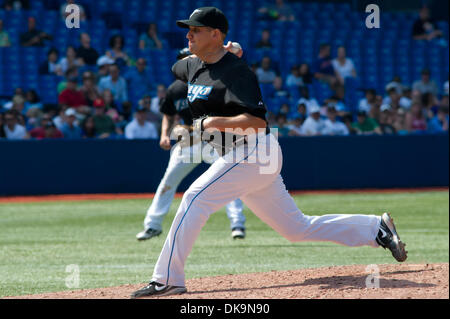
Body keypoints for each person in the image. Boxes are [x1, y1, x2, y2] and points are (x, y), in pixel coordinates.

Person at [131, 7, 407, 298]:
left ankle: (167, 279)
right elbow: (179, 65)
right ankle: (376, 227)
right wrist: (228, 48)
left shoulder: (237, 73)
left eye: (196, 30)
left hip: (253, 150)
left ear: (215, 34)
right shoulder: (191, 65)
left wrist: (213, 120)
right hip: (238, 156)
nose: (188, 34)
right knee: (296, 228)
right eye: (188, 29)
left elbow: (257, 122)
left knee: (194, 197)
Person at [135, 47, 248, 242]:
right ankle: (152, 225)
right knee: (168, 182)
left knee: (228, 178)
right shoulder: (175, 89)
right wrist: (164, 135)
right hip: (189, 142)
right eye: (183, 59)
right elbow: (168, 115)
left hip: (213, 139)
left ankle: (237, 223)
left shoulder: (213, 82)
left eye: (190, 58)